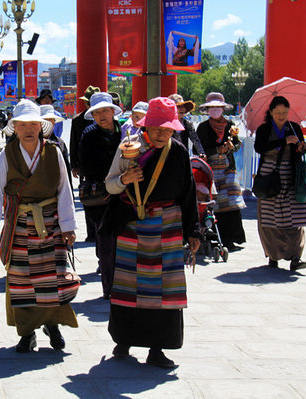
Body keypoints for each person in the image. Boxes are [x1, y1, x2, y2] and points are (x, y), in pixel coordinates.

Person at [105, 96, 200, 368]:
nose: (161, 134)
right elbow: (110, 185)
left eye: (167, 129)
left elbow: (188, 194)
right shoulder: (129, 148)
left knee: (164, 290)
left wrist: (193, 231)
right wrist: (125, 179)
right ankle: (124, 339)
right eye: (156, 127)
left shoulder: (179, 152)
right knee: (128, 286)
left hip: (167, 225)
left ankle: (157, 348)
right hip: (133, 222)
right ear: (146, 126)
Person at [0, 99, 79, 353]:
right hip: (20, 224)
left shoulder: (54, 152)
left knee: (51, 279)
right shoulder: (8, 154)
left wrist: (68, 226)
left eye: (33, 124)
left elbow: (64, 191)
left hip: (50, 224)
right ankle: (27, 333)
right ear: (15, 127)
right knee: (22, 281)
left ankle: (53, 325)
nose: (28, 129)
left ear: (40, 126)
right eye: (22, 124)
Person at [254, 96, 306, 271]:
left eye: (284, 113)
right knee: (270, 219)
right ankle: (273, 255)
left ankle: (295, 256)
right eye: (278, 112)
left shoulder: (294, 128)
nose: (281, 116)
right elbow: (259, 148)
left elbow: (299, 149)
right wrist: (282, 141)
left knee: (294, 218)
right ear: (271, 112)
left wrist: (302, 148)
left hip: (290, 177)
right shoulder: (264, 129)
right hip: (269, 177)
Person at [79, 92, 123, 299]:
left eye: (105, 110)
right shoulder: (89, 134)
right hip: (102, 196)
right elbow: (87, 166)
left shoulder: (123, 132)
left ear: (113, 111)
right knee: (106, 242)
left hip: (125, 194)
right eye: (97, 112)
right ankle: (109, 287)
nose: (102, 115)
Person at [196, 92, 246, 250]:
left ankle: (231, 237)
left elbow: (238, 143)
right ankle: (214, 235)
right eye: (213, 108)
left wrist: (232, 147)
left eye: (218, 107)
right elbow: (198, 149)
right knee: (214, 204)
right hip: (210, 170)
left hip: (227, 169)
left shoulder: (231, 125)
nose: (216, 110)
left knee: (231, 204)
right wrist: (217, 149)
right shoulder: (203, 128)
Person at [70, 85, 100, 242]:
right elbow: (73, 143)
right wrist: (73, 165)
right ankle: (91, 233)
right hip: (85, 166)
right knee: (87, 197)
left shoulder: (108, 119)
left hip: (104, 165)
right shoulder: (77, 120)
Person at [40, 104, 71, 190]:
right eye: (45, 120)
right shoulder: (32, 143)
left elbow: (66, 172)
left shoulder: (60, 143)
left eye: (51, 120)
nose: (49, 123)